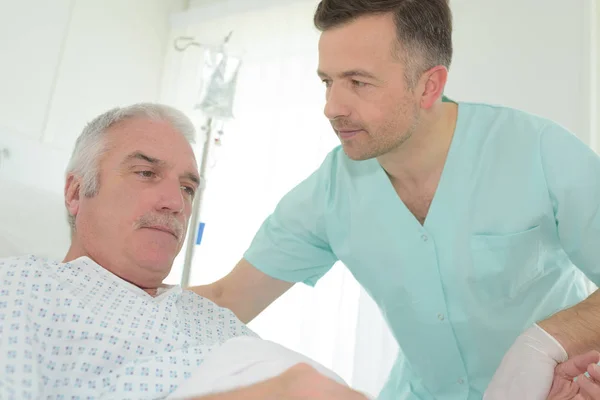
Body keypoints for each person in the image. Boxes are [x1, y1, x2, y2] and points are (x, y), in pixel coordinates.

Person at [190, 0, 600, 399]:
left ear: (429, 85)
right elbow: (228, 299)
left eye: (359, 82)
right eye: (327, 82)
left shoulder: (538, 152)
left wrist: (544, 343)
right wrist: (128, 302)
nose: (332, 107)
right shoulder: (330, 192)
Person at [0, 103, 369, 399]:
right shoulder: (22, 288)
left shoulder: (210, 317)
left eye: (188, 188)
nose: (175, 202)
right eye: (146, 173)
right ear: (76, 193)